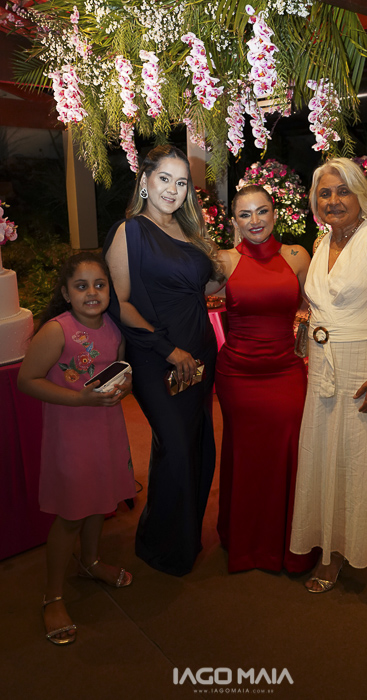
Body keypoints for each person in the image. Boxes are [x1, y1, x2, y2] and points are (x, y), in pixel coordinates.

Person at [290, 157, 367, 593]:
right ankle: (326, 541)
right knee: (324, 455)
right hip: (322, 367)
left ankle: (346, 549)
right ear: (314, 202)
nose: (334, 200)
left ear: (361, 195)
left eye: (343, 191)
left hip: (365, 367)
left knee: (358, 461)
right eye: (324, 193)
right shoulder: (321, 242)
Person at [103, 144, 221, 577]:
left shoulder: (189, 232)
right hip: (158, 357)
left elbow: (204, 287)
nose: (173, 189)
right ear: (145, 181)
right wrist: (168, 349)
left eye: (182, 182)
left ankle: (180, 539)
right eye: (164, 179)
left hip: (200, 356)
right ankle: (162, 545)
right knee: (176, 446)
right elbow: (120, 301)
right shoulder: (130, 231)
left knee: (195, 445)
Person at [17, 252, 135, 645]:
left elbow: (119, 372)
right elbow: (27, 380)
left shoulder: (114, 328)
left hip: (107, 430)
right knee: (71, 515)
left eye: (99, 285)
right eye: (81, 286)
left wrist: (124, 387)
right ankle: (52, 596)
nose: (92, 293)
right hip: (71, 436)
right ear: (66, 293)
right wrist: (79, 399)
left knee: (101, 502)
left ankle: (90, 561)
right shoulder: (57, 330)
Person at [215, 184, 317, 573]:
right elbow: (184, 296)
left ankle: (285, 544)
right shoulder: (223, 260)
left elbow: (317, 305)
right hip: (238, 374)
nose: (255, 220)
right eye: (245, 214)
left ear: (275, 213)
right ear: (235, 221)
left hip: (285, 370)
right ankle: (245, 543)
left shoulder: (297, 256)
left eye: (262, 211)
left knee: (287, 451)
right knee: (245, 455)